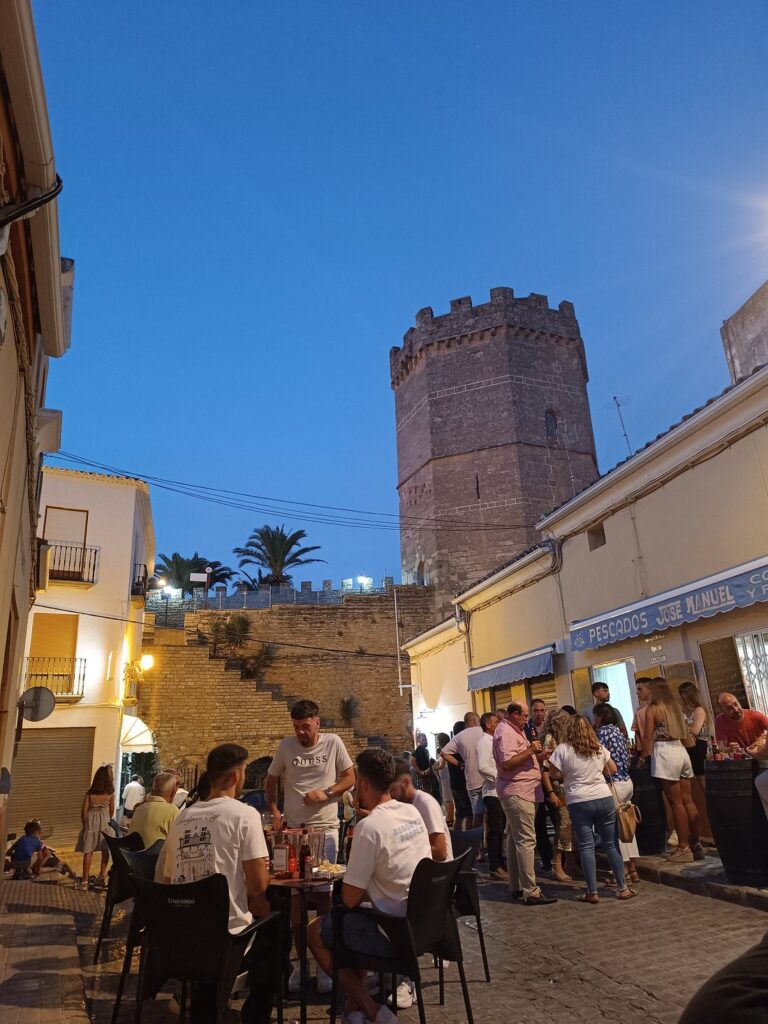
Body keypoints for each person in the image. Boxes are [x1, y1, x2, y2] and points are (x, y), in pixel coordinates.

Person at [157, 744, 281, 1024]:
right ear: (237, 775)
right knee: (277, 936)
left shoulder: (181, 818)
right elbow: (259, 885)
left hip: (181, 940)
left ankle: (198, 999)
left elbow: (168, 880)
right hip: (225, 943)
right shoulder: (244, 815)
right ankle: (253, 1017)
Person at [307, 748, 430, 1024]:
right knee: (349, 921)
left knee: (316, 931)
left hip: (392, 931)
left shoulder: (370, 826)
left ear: (362, 783)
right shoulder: (411, 812)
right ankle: (353, 1011)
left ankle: (371, 1008)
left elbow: (349, 898)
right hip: (423, 923)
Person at [265, 698, 355, 993]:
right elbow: (271, 779)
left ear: (317, 722)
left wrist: (326, 792)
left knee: (324, 897)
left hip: (326, 828)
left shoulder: (333, 743)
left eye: (306, 726)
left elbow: (350, 777)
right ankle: (302, 964)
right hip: (293, 830)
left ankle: (324, 964)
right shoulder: (286, 746)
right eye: (297, 727)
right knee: (295, 898)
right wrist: (275, 810)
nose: (302, 732)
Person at [548, 715, 636, 903]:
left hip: (578, 800)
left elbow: (554, 774)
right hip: (603, 797)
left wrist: (567, 774)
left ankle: (592, 892)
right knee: (611, 845)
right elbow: (612, 769)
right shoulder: (598, 748)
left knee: (586, 847)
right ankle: (622, 888)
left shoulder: (562, 749)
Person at [492, 701, 557, 905]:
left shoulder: (514, 730)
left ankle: (517, 885)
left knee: (514, 839)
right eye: (525, 715)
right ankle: (531, 890)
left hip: (524, 790)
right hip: (518, 791)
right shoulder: (506, 733)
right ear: (513, 714)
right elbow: (507, 762)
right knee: (526, 841)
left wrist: (540, 756)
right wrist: (530, 751)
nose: (527, 719)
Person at [638, 680, 701, 863]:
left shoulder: (653, 709)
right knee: (688, 801)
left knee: (676, 803)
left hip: (665, 753)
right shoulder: (675, 708)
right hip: (681, 752)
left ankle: (683, 847)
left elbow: (648, 736)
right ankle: (696, 844)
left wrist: (643, 758)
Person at [594, 703, 640, 884]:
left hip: (615, 783)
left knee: (616, 827)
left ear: (601, 717)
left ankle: (624, 868)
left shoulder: (604, 733)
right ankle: (634, 869)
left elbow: (601, 758)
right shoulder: (618, 732)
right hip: (627, 780)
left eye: (595, 716)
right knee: (628, 825)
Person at [390, 761, 452, 862]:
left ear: (405, 782)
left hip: (437, 871)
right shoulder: (402, 804)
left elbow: (440, 853)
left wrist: (403, 850)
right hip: (419, 866)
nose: (389, 795)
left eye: (392, 790)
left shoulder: (425, 803)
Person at [540, 709, 575, 883]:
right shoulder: (550, 740)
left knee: (572, 827)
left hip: (570, 786)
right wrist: (551, 793)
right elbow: (545, 770)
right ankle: (557, 863)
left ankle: (572, 862)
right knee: (563, 826)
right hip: (559, 788)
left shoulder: (567, 739)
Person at [440, 711, 485, 828]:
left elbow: (443, 753)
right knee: (476, 814)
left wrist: (459, 763)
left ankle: (465, 840)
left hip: (459, 783)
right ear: (475, 721)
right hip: (474, 782)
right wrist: (460, 763)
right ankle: (478, 840)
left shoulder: (457, 740)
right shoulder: (481, 733)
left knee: (463, 814)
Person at [477, 712, 507, 880]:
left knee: (500, 828)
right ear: (488, 725)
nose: (498, 724)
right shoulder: (484, 742)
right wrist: (499, 776)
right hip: (492, 791)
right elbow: (482, 766)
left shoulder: (493, 740)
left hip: (500, 790)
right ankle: (494, 865)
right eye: (496, 722)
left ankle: (500, 862)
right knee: (495, 829)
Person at [76, 765, 115, 890]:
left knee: (88, 851)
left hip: (91, 820)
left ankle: (85, 880)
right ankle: (101, 877)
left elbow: (83, 811)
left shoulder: (90, 793)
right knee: (105, 850)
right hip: (104, 820)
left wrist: (86, 823)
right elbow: (111, 811)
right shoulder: (110, 794)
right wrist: (105, 819)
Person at [128, 770, 180, 846]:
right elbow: (178, 843)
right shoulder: (173, 811)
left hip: (132, 856)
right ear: (173, 792)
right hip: (155, 857)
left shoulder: (139, 809)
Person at [678, 681, 713, 779]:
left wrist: (682, 727)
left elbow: (695, 730)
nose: (680, 699)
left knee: (701, 775)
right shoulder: (689, 711)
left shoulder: (699, 710)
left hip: (700, 746)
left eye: (681, 696)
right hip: (693, 746)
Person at [445, 721, 473, 830]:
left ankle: (458, 839)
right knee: (469, 815)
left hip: (454, 784)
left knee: (460, 814)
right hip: (462, 784)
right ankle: (470, 839)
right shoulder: (460, 745)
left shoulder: (452, 744)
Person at [434, 732, 455, 827]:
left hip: (446, 777)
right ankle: (449, 817)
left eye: (438, 741)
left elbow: (442, 765)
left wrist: (434, 767)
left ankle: (449, 819)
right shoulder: (449, 748)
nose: (437, 743)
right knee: (447, 798)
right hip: (447, 776)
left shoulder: (445, 750)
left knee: (447, 798)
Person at [631, 677, 653, 750]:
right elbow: (637, 732)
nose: (637, 692)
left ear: (650, 689)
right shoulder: (639, 710)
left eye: (640, 689)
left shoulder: (661, 707)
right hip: (646, 751)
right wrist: (639, 749)